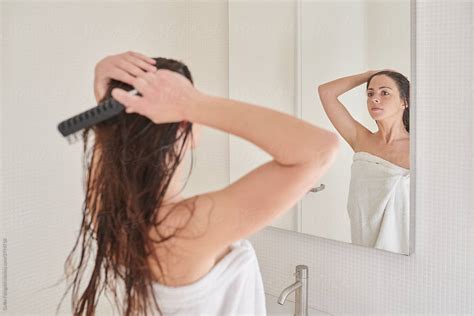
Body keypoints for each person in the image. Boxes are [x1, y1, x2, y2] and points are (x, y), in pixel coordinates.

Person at [60, 51, 340, 316]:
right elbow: (318, 149)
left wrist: (105, 102)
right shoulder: (183, 229)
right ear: (185, 126)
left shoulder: (115, 212)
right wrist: (192, 103)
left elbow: (110, 152)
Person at [318, 70, 411, 254]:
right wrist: (370, 74)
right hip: (364, 244)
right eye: (370, 93)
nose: (375, 99)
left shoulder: (419, 149)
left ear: (404, 101)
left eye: (385, 92)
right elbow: (326, 92)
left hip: (403, 249)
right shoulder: (361, 140)